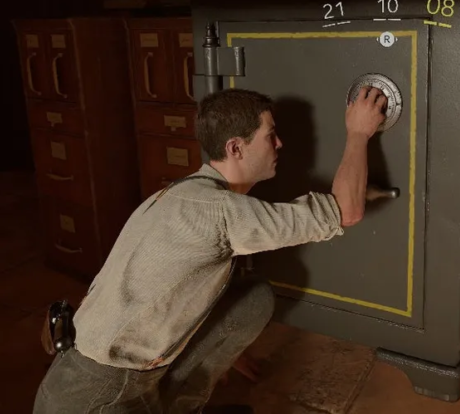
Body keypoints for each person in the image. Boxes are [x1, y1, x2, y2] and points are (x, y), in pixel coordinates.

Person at [33, 86, 388, 414]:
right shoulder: (222, 211)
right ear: (236, 148)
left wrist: (220, 349)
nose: (279, 144)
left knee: (253, 299)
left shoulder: (181, 192)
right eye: (270, 136)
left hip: (109, 372)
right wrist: (359, 132)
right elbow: (347, 209)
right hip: (93, 398)